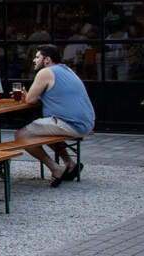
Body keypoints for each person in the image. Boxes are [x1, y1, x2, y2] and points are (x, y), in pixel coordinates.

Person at [17, 43, 95, 186]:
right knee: (46, 129)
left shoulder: (45, 72)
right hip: (86, 122)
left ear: (47, 60)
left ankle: (56, 168)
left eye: (37, 57)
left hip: (70, 124)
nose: (34, 60)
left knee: (21, 136)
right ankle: (70, 163)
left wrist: (26, 96)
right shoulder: (67, 70)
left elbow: (30, 100)